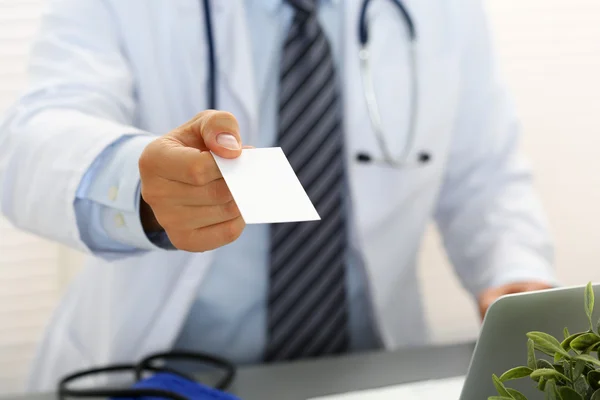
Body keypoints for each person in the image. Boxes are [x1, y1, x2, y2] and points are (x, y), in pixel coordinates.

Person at [0, 0, 557, 391]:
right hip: (168, 373)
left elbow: (484, 171)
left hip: (372, 371)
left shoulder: (444, 10)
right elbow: (34, 134)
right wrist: (136, 182)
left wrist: (512, 274)